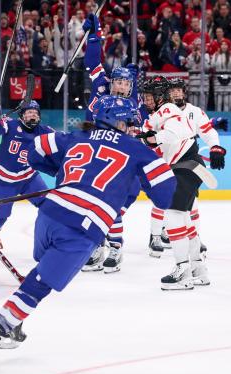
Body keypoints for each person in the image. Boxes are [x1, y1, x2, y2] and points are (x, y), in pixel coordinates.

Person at [0, 97, 177, 359]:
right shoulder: (138, 149)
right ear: (117, 122)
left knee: (39, 273)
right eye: (129, 122)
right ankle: (0, 326)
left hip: (49, 216)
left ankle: (16, 317)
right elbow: (166, 196)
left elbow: (36, 150)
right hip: (81, 229)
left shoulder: (78, 135)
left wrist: (65, 171)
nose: (133, 127)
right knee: (40, 285)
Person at [136, 76, 224, 290]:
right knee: (184, 218)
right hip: (183, 167)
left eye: (149, 97)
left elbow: (179, 132)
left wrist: (151, 139)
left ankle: (183, 269)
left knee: (173, 214)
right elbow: (145, 138)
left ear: (159, 97)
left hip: (185, 165)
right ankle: (198, 269)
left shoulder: (167, 109)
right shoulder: (157, 114)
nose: (146, 101)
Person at [80, 12, 141, 273]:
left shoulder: (135, 104)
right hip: (95, 155)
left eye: (126, 82)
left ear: (131, 86)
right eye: (118, 80)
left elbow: (138, 133)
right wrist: (94, 37)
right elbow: (93, 62)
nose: (120, 85)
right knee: (91, 205)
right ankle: (97, 245)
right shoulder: (101, 88)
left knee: (112, 207)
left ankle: (115, 247)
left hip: (121, 162)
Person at [0, 100, 54, 231]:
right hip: (4, 179)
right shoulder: (10, 124)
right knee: (0, 216)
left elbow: (62, 144)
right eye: (29, 112)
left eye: (35, 113)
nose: (32, 115)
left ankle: (56, 232)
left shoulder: (45, 131)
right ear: (21, 115)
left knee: (48, 203)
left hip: (29, 177)